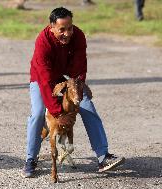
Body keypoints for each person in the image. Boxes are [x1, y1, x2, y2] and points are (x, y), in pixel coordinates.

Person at [23, 7, 125, 178]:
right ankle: (30, 159)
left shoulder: (78, 36)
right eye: (61, 29)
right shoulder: (43, 41)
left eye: (69, 28)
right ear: (51, 27)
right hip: (42, 78)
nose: (67, 33)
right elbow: (46, 80)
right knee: (38, 113)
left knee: (87, 107)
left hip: (68, 79)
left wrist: (77, 91)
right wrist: (57, 112)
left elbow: (79, 70)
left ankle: (103, 157)